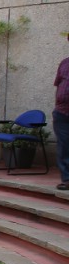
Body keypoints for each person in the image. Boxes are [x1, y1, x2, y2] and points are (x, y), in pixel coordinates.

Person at [56, 34, 69, 190]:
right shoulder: (64, 63)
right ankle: (66, 179)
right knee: (64, 146)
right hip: (61, 112)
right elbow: (58, 84)